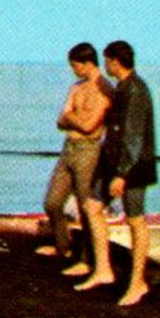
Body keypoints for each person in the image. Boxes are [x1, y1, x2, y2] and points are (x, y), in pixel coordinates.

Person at [77, 40, 158, 306]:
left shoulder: (135, 90)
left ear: (114, 61)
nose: (105, 66)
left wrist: (122, 174)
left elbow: (133, 140)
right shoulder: (124, 88)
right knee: (91, 206)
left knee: (135, 220)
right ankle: (103, 270)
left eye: (107, 60)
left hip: (132, 167)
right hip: (114, 162)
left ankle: (137, 283)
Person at [38, 43, 114, 274]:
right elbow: (61, 120)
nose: (73, 70)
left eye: (74, 66)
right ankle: (63, 246)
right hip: (69, 147)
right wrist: (74, 118)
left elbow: (90, 126)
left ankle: (87, 259)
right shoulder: (76, 87)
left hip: (89, 150)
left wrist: (72, 117)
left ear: (86, 64)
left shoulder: (104, 89)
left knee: (85, 206)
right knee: (52, 202)